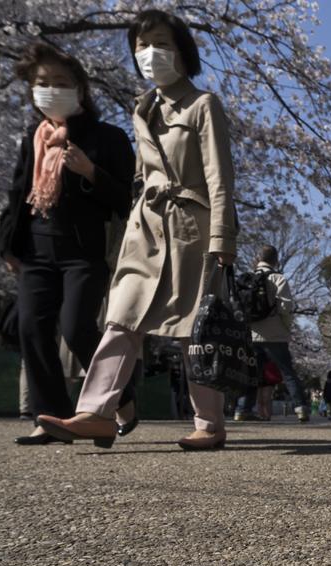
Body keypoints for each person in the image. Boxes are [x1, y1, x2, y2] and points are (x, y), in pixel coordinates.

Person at [38, 9, 238, 451]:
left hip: (191, 226)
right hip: (145, 227)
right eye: (141, 47)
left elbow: (221, 177)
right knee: (121, 317)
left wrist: (223, 239)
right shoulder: (142, 108)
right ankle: (96, 413)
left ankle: (209, 422)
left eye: (160, 43)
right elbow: (139, 177)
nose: (150, 54)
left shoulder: (203, 105)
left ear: (182, 50)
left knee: (193, 326)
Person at [0, 42, 136, 445]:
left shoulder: (107, 138)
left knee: (76, 328)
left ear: (79, 87)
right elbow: (17, 193)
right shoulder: (34, 136)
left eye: (61, 81)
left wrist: (90, 171)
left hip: (84, 249)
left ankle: (120, 395)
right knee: (32, 328)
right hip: (36, 250)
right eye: (42, 82)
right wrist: (8, 246)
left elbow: (126, 197)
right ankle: (54, 418)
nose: (50, 89)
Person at [234, 245, 309, 423]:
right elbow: (286, 308)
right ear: (275, 260)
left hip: (251, 333)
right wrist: (286, 327)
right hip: (275, 334)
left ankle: (241, 410)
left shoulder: (246, 279)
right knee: (287, 372)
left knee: (251, 374)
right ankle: (301, 409)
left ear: (256, 259)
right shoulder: (278, 278)